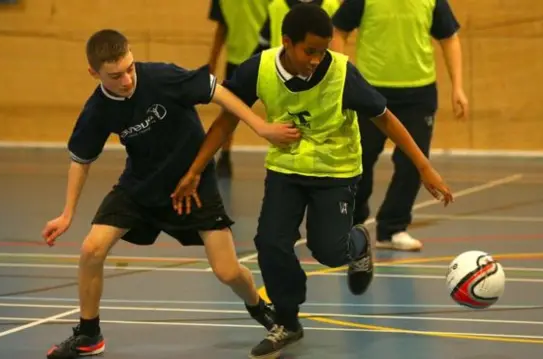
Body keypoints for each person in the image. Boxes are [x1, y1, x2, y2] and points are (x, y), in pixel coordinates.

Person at [170, 4, 454, 358]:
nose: (318, 59)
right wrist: (195, 169)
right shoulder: (259, 69)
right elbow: (227, 120)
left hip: (335, 172)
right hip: (286, 170)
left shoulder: (341, 73)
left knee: (328, 251)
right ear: (287, 42)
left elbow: (385, 118)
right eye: (310, 51)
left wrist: (424, 166)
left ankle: (357, 243)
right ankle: (287, 321)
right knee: (270, 243)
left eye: (324, 50)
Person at [41, 29, 300, 359]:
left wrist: (261, 127)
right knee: (91, 249)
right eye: (115, 75)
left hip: (193, 185)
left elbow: (219, 93)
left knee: (228, 272)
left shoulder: (163, 77)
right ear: (94, 73)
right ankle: (89, 335)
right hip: (141, 186)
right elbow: (81, 160)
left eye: (130, 68)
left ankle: (260, 307)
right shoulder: (98, 109)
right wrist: (67, 213)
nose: (127, 80)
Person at [330, 0, 468, 251]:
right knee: (359, 159)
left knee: (413, 164)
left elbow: (449, 38)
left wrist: (457, 86)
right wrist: (341, 77)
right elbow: (338, 30)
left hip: (419, 94)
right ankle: (352, 225)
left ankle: (392, 228)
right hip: (369, 89)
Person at [207, 0, 270, 177]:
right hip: (237, 58)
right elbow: (222, 27)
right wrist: (212, 61)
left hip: (268, 57)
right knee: (230, 110)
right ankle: (225, 156)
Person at [258, 0, 340, 49]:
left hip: (281, 68)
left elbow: (264, 41)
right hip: (321, 69)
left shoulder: (276, 5)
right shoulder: (332, 5)